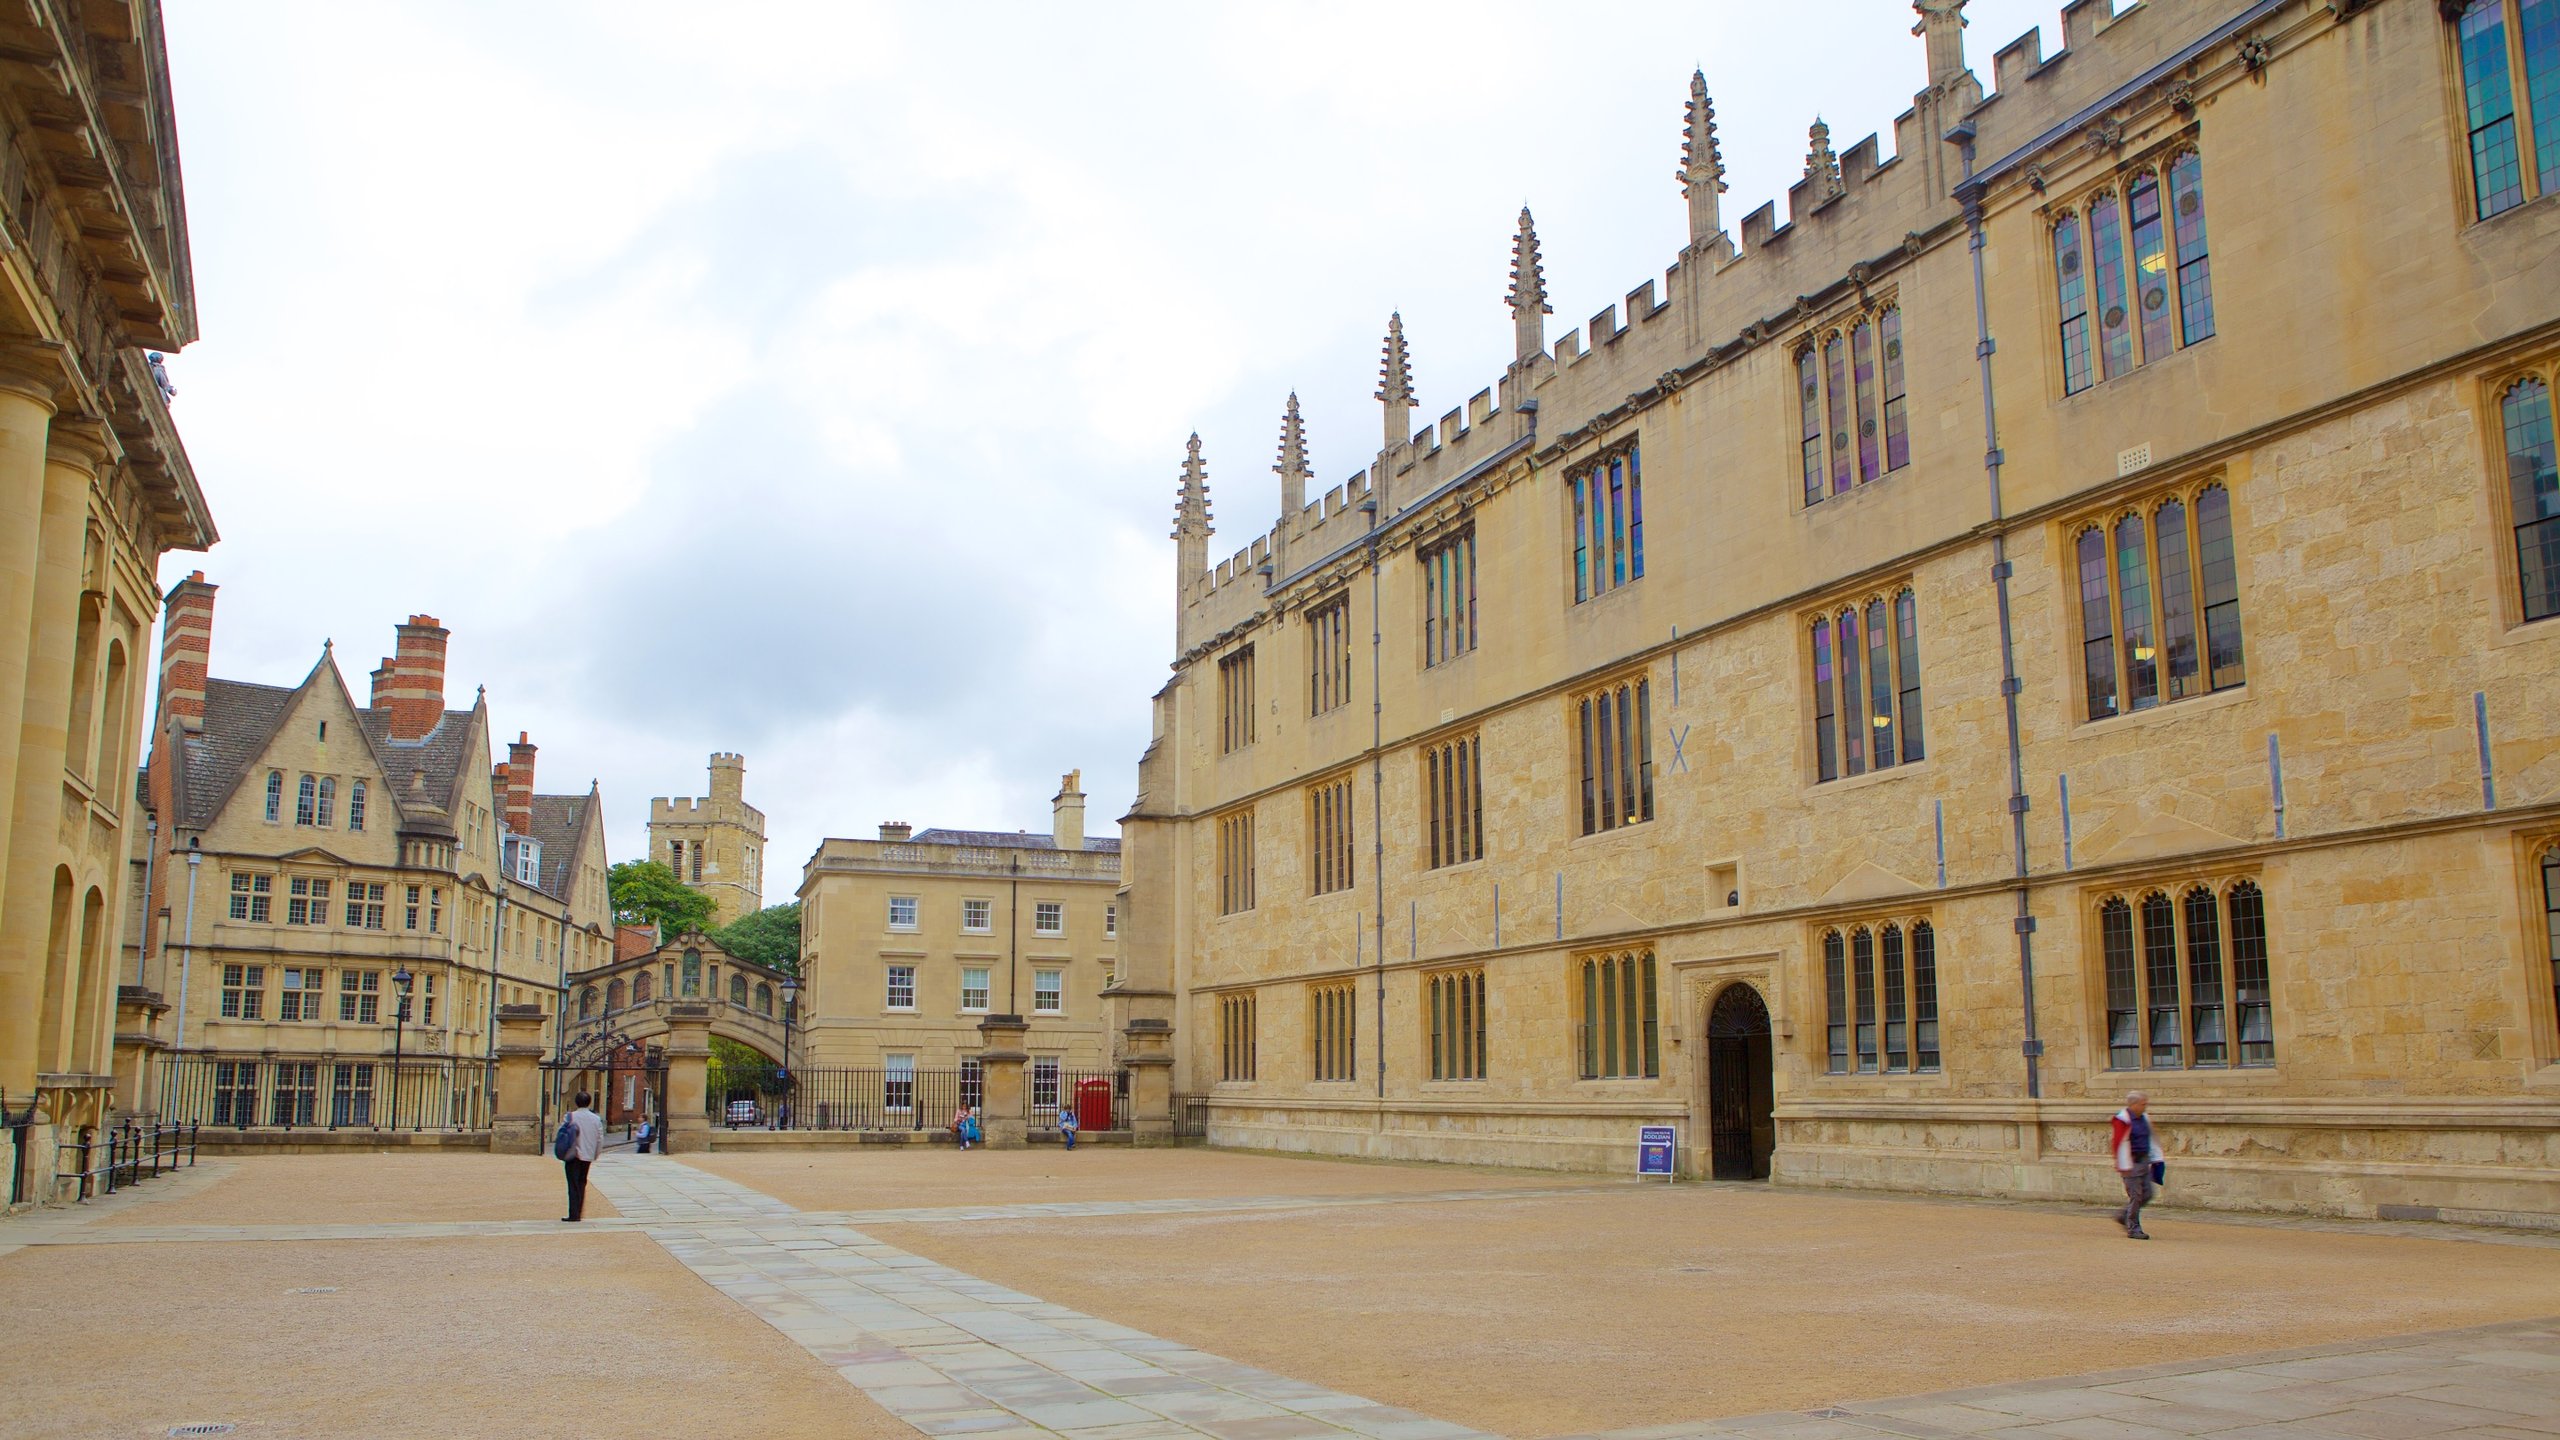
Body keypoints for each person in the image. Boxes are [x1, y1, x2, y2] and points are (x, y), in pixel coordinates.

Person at [2110, 1091, 2161, 1239]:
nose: (2145, 1106)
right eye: (2143, 1104)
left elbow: (2151, 1139)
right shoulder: (2123, 1120)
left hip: (2144, 1161)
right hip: (2131, 1163)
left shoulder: (2144, 1118)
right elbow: (2117, 1144)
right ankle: (2133, 1228)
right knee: (2136, 1196)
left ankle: (2124, 1215)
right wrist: (2123, 1165)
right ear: (2133, 1105)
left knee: (2148, 1194)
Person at [561, 1091, 603, 1221]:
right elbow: (599, 1138)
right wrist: (595, 1154)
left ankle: (574, 1214)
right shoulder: (596, 1119)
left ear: (576, 1102)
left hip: (573, 1155)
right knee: (581, 1183)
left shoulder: (570, 1117)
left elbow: (563, 1134)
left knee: (572, 1185)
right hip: (587, 1155)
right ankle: (578, 1211)